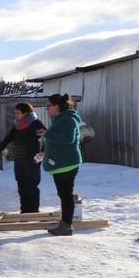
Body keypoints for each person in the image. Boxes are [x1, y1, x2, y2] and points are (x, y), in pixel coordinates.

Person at [40, 92, 84, 236]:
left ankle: (66, 226)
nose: (47, 109)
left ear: (57, 106)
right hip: (62, 163)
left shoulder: (67, 120)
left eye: (48, 106)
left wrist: (47, 134)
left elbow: (67, 139)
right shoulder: (61, 118)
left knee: (65, 195)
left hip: (67, 164)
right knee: (64, 194)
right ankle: (65, 223)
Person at [0, 102, 45, 213]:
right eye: (15, 113)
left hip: (31, 160)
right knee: (22, 187)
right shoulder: (17, 126)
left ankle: (33, 211)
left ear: (26, 113)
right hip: (19, 160)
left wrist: (43, 151)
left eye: (18, 113)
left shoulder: (36, 124)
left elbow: (49, 137)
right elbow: (7, 139)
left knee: (31, 186)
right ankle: (24, 210)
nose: (16, 115)